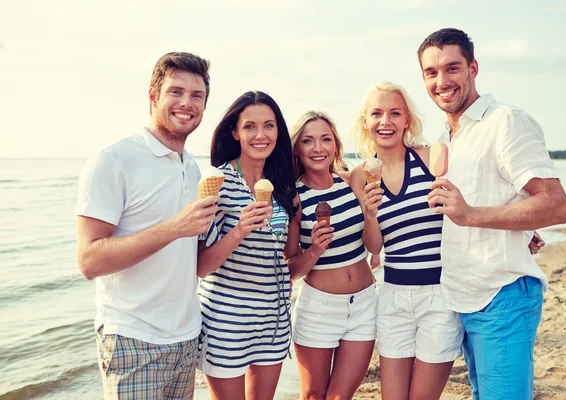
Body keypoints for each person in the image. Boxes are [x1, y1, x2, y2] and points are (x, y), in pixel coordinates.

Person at [418, 28, 566, 399]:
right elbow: (509, 199)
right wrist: (519, 227)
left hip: (501, 294)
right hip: (462, 295)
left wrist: (471, 214)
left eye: (452, 68)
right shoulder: (447, 139)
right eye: (431, 72)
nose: (442, 81)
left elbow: (556, 204)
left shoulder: (505, 121)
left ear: (473, 68)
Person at [76, 52, 218, 399]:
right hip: (132, 338)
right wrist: (174, 228)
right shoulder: (114, 159)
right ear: (153, 96)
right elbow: (89, 261)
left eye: (196, 96)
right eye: (176, 92)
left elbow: (193, 264)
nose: (187, 103)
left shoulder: (192, 168)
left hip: (186, 336)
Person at [350, 82, 463, 400]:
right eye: (377, 114)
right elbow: (374, 247)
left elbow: (474, 194)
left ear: (406, 121)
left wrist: (523, 232)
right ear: (366, 122)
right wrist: (370, 214)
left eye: (394, 113)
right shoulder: (361, 175)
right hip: (393, 297)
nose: (385, 121)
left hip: (439, 296)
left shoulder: (431, 158)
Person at [196, 91, 297, 400]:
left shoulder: (282, 183)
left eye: (269, 126)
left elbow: (284, 255)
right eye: (250, 126)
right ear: (234, 132)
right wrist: (240, 229)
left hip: (275, 315)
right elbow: (201, 267)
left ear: (278, 131)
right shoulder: (218, 182)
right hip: (227, 316)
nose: (260, 135)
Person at [286, 111, 378, 399]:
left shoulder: (351, 182)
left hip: (364, 304)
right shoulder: (293, 197)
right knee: (314, 396)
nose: (318, 148)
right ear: (297, 149)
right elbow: (290, 269)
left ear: (336, 146)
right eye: (308, 141)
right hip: (319, 308)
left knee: (341, 396)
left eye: (325, 139)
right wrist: (314, 250)